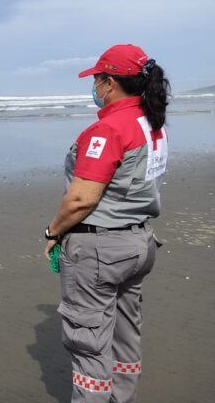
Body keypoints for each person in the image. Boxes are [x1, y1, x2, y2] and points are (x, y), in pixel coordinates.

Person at [43, 44, 170, 403]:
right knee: (126, 332)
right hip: (139, 242)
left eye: (97, 80)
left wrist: (53, 231)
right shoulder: (151, 124)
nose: (95, 88)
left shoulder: (108, 130)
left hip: (101, 250)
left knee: (89, 345)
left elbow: (81, 198)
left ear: (110, 83)